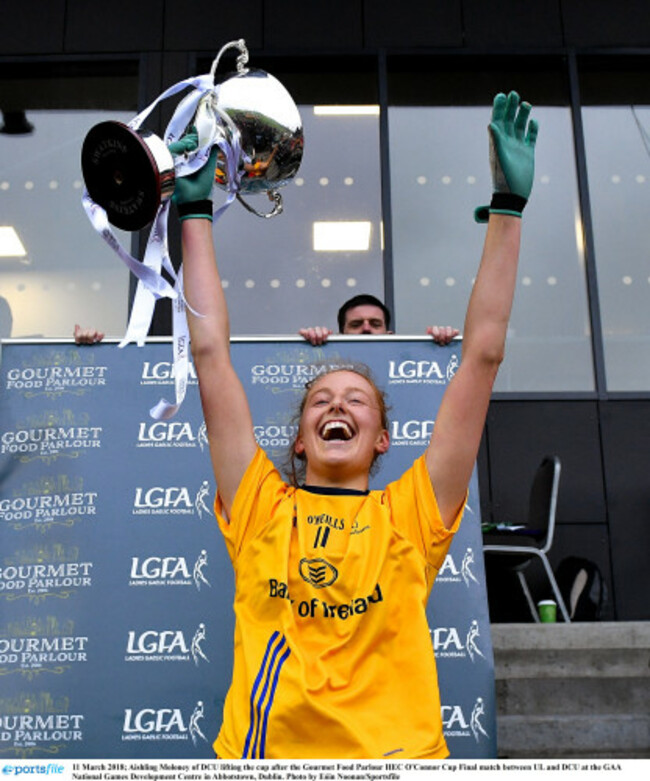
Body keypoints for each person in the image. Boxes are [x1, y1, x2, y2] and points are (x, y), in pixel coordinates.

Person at [178, 90, 537, 759]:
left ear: (383, 439)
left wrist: (507, 210)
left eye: (356, 401)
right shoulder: (258, 505)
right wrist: (194, 212)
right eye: (320, 400)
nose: (336, 406)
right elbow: (209, 355)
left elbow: (483, 353)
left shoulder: (412, 515)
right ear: (296, 436)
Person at [299, 293, 460, 346]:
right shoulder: (328, 367)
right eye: (356, 324)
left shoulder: (407, 370)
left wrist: (444, 349)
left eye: (375, 324)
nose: (366, 329)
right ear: (340, 336)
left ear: (389, 335)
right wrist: (309, 348)